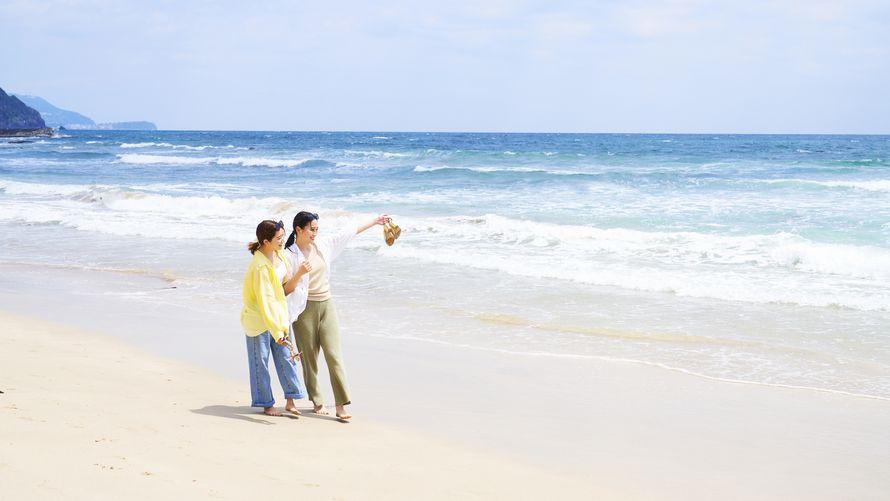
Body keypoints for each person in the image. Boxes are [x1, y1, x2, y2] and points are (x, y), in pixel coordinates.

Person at [284, 211, 388, 421]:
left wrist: (376, 221)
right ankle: (317, 401)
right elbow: (285, 289)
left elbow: (350, 231)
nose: (315, 233)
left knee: (334, 356)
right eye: (311, 229)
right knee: (309, 359)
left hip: (327, 305)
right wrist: (300, 273)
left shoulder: (324, 245)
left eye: (316, 229)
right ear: (298, 230)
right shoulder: (289, 255)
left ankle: (341, 405)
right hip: (304, 309)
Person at [240, 219, 305, 417]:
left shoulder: (279, 256)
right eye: (278, 238)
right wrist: (277, 331)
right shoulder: (259, 266)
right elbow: (265, 301)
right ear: (266, 241)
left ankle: (291, 399)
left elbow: (282, 289)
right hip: (259, 321)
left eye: (282, 236)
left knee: (286, 358)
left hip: (278, 316)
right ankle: (266, 403)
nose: (282, 240)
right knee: (260, 361)